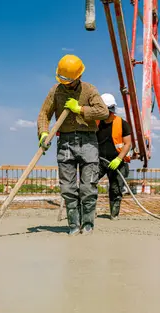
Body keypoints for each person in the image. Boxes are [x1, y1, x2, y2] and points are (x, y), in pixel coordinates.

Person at [37, 54, 109, 235]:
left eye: (68, 81)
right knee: (68, 188)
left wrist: (80, 109)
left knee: (88, 187)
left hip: (88, 142)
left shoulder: (89, 90)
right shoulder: (56, 91)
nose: (65, 84)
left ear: (78, 77)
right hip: (65, 142)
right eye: (62, 80)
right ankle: (73, 225)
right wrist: (44, 132)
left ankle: (88, 224)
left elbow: (103, 112)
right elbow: (44, 114)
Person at [97, 93, 133, 220]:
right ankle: (88, 212)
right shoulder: (96, 123)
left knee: (115, 188)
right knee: (88, 184)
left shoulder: (122, 123)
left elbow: (128, 143)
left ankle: (114, 214)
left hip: (117, 161)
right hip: (99, 161)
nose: (110, 113)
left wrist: (119, 159)